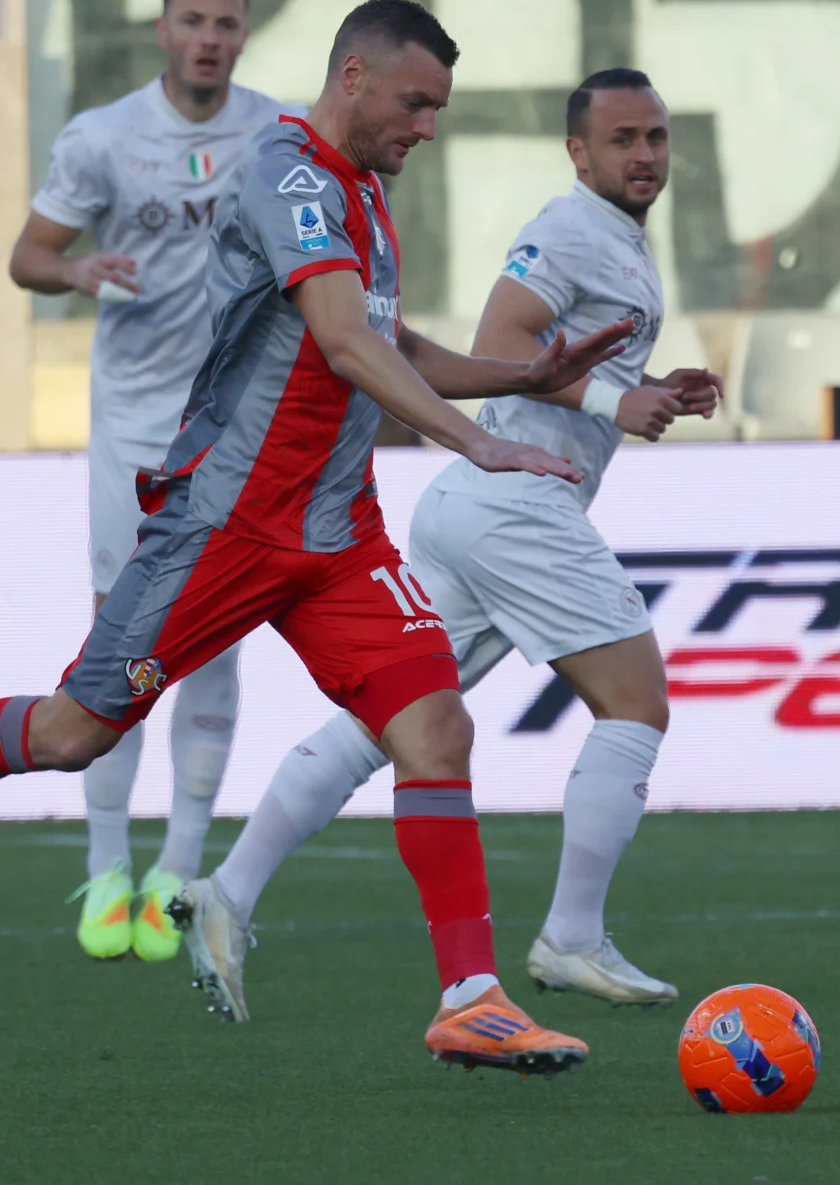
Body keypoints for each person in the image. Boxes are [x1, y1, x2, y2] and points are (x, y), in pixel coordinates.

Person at [0, 0, 631, 1076]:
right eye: (415, 102)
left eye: (438, 108)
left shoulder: (365, 196)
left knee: (435, 728)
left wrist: (522, 376)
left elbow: (395, 341)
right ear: (353, 77)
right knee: (71, 737)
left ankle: (472, 999)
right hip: (228, 526)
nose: (427, 126)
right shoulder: (286, 172)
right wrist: (474, 445)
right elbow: (342, 342)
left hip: (338, 537)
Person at [181, 68, 724, 1017]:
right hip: (516, 506)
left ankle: (228, 891)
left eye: (657, 138)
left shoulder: (621, 241)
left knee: (386, 721)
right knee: (636, 701)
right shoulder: (566, 227)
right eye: (623, 139)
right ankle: (572, 937)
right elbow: (503, 336)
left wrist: (651, 389)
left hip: (474, 507)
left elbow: (564, 361)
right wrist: (609, 399)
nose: (644, 156)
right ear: (578, 152)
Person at [9, 0, 305, 964]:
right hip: (133, 426)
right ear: (162, 29)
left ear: (244, 33)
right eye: (193, 20)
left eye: (227, 22)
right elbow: (28, 255)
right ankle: (104, 868)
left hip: (229, 425)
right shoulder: (103, 138)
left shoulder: (276, 133)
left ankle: (175, 870)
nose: (210, 38)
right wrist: (78, 267)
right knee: (116, 636)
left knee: (211, 636)